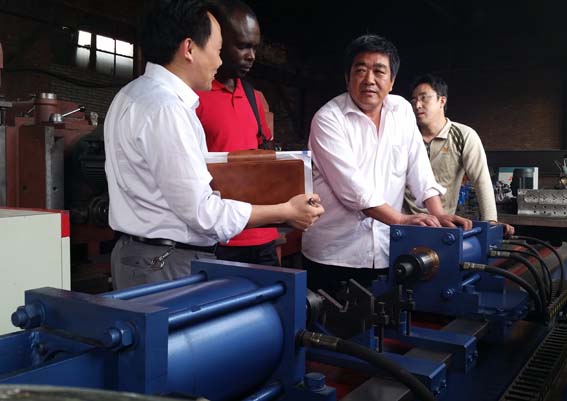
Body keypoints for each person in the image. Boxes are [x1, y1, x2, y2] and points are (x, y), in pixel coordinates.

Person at [104, 0, 323, 290]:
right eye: (218, 51)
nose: (219, 63)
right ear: (189, 48)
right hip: (167, 264)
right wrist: (285, 211)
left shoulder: (130, 95)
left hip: (141, 256)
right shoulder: (168, 110)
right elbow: (203, 214)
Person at [301, 34, 471, 294]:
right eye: (360, 70)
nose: (369, 79)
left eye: (379, 71)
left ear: (391, 81)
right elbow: (352, 189)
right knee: (330, 319)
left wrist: (437, 213)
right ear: (347, 78)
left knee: (384, 316)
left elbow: (418, 164)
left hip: (386, 250)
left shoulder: (401, 111)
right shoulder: (328, 119)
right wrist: (400, 219)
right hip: (334, 254)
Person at [196, 0, 279, 266]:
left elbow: (265, 158)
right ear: (217, 41)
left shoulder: (255, 98)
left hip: (263, 235)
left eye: (254, 47)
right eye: (242, 46)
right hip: (219, 240)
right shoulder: (193, 98)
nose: (251, 56)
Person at [404, 74, 514, 236]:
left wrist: (491, 223)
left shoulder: (463, 135)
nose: (417, 105)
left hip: (442, 225)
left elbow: (481, 180)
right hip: (405, 223)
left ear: (442, 101)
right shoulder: (405, 137)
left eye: (424, 98)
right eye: (414, 101)